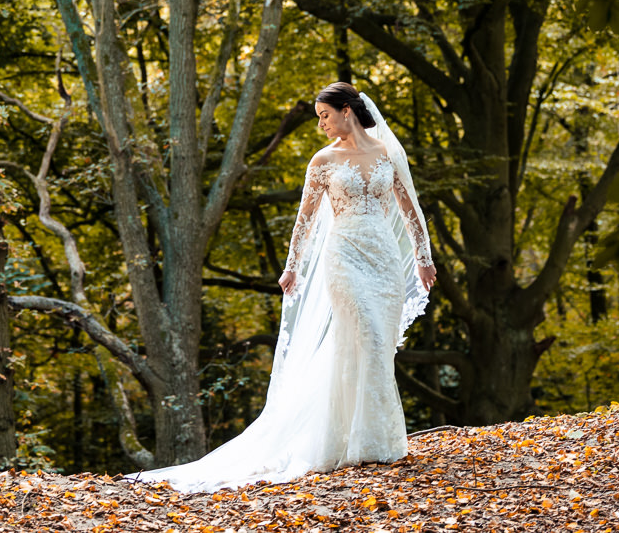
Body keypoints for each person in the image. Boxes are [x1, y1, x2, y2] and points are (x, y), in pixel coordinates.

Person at [128, 82, 435, 492]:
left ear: (346, 110)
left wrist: (422, 258)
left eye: (324, 115)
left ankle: (374, 439)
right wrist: (292, 268)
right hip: (344, 258)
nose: (321, 125)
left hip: (383, 260)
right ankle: (364, 442)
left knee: (376, 346)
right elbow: (305, 220)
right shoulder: (323, 161)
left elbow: (409, 208)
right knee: (366, 333)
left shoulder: (385, 154)